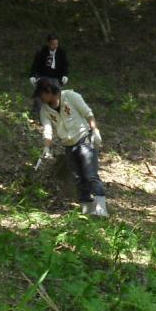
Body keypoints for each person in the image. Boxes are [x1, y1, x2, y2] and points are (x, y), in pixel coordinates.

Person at [35, 77, 108, 217]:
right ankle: (87, 208)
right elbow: (48, 130)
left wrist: (95, 130)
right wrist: (46, 147)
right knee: (78, 178)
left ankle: (101, 208)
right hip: (68, 145)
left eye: (41, 94)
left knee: (91, 175)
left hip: (84, 139)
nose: (40, 97)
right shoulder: (45, 110)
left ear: (49, 91)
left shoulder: (71, 96)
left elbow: (88, 114)